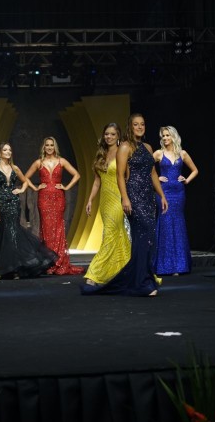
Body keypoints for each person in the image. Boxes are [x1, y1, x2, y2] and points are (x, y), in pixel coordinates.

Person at [81, 114, 167, 297]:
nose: (140, 127)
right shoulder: (123, 148)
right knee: (135, 238)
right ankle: (140, 282)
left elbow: (152, 173)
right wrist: (125, 198)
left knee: (148, 239)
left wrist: (162, 195)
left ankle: (141, 277)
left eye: (142, 124)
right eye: (136, 124)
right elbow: (118, 176)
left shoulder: (147, 147)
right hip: (128, 197)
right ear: (130, 126)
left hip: (145, 198)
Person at [0, 142, 57, 279]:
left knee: (13, 232)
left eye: (9, 150)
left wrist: (21, 190)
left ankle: (14, 267)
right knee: (3, 232)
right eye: (5, 150)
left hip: (14, 204)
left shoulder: (14, 168)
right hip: (1, 203)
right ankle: (4, 266)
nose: (8, 152)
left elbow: (25, 181)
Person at [25, 137, 83, 275]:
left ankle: (59, 261)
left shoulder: (61, 161)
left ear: (54, 147)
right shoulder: (39, 162)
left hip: (58, 198)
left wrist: (66, 187)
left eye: (52, 145)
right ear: (44, 147)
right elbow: (25, 177)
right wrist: (35, 187)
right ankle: (48, 262)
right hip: (44, 198)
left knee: (58, 228)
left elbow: (77, 175)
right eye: (47, 145)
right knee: (46, 229)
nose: (49, 147)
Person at [83, 123, 131, 286]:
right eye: (106, 134)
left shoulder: (122, 152)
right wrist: (90, 200)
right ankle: (125, 271)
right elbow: (97, 181)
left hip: (118, 198)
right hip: (104, 201)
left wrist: (126, 198)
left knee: (110, 234)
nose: (109, 137)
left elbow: (128, 177)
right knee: (119, 235)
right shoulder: (101, 154)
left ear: (118, 136)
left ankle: (94, 273)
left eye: (112, 134)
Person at [152, 126, 198, 276]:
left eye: (168, 135)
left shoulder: (182, 153)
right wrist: (156, 178)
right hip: (163, 192)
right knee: (165, 224)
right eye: (163, 136)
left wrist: (186, 180)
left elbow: (195, 170)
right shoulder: (158, 153)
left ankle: (179, 265)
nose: (165, 138)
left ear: (173, 137)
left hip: (178, 193)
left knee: (177, 224)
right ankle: (164, 266)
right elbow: (145, 169)